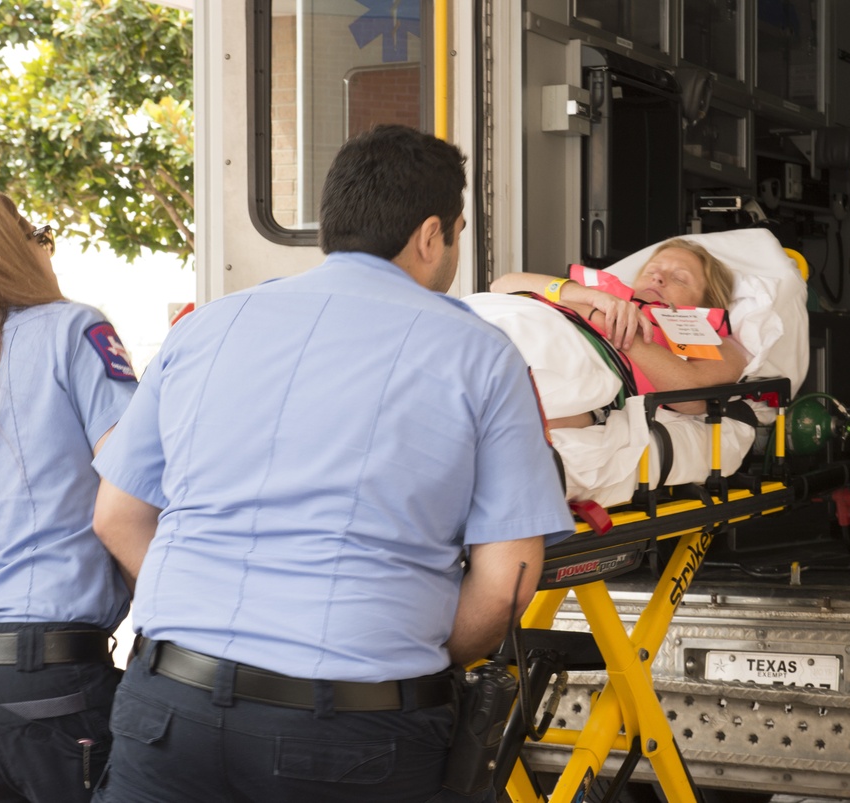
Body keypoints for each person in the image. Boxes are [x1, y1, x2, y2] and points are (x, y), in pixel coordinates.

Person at [88, 124, 575, 803]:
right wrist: (419, 649)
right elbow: (506, 584)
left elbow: (116, 515)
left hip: (170, 711)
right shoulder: (479, 353)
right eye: (458, 235)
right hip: (352, 731)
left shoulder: (205, 328)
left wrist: (207, 613)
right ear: (432, 235)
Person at [0, 190, 138, 802]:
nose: (47, 248)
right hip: (49, 680)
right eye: (40, 233)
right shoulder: (72, 327)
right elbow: (138, 483)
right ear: (6, 249)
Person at [488, 238, 746, 423]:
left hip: (568, 359)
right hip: (509, 322)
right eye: (652, 271)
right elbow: (501, 285)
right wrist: (586, 297)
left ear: (706, 301)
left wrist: (606, 323)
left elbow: (691, 397)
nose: (657, 278)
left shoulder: (708, 337)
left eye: (679, 278)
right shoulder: (598, 295)